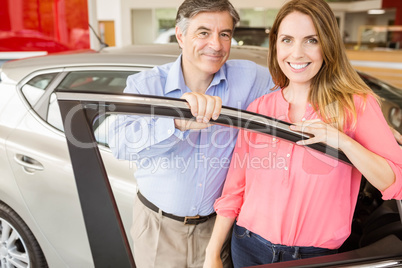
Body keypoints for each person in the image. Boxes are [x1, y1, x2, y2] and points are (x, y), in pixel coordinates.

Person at [204, 0, 402, 267]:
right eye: (287, 40)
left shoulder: (356, 106)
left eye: (311, 40)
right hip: (248, 246)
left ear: (328, 45)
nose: (296, 53)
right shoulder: (260, 108)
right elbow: (235, 189)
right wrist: (212, 252)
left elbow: (395, 181)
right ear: (275, 45)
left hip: (316, 257)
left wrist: (343, 141)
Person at [108, 0, 275, 267]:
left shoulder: (251, 78)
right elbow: (118, 144)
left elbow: (296, 90)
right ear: (180, 36)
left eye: (225, 34)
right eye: (203, 32)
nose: (216, 45)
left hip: (217, 231)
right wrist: (177, 123)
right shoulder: (146, 85)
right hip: (158, 228)